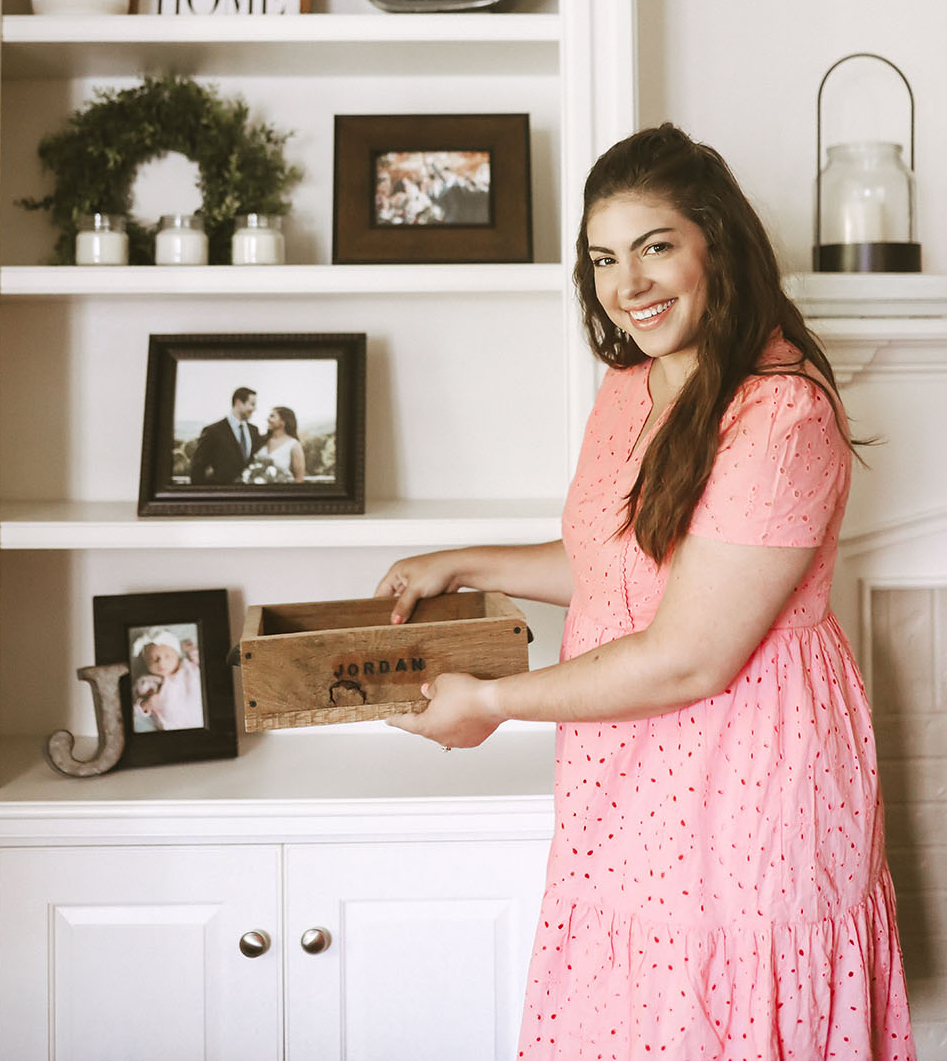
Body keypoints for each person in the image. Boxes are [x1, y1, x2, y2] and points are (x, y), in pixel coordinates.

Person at [375, 123, 915, 1060]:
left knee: (728, 1015)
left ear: (718, 245)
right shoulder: (633, 382)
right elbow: (619, 567)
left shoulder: (780, 414)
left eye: (657, 246)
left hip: (747, 774)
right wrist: (466, 564)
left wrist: (493, 703)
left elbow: (687, 655)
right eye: (604, 259)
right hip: (625, 768)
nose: (630, 285)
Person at [131, 628, 203, 732]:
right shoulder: (147, 683)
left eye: (167, 656)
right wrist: (145, 705)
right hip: (173, 728)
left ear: (177, 656)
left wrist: (192, 650)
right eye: (153, 659)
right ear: (146, 663)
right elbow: (134, 710)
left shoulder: (190, 667)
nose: (161, 663)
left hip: (201, 720)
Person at [189, 386, 264, 484]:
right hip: (222, 494)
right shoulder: (213, 431)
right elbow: (197, 468)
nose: (255, 409)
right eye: (252, 404)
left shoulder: (254, 430)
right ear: (238, 402)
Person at [241, 404, 306, 483]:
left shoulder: (294, 445)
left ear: (283, 422)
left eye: (272, 416)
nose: (268, 419)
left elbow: (299, 478)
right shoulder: (261, 441)